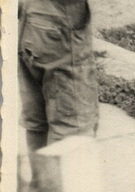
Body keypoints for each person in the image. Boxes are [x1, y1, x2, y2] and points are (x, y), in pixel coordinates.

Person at [18, 0, 99, 189]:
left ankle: (41, 186)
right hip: (58, 19)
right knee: (74, 131)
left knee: (38, 120)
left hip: (28, 15)